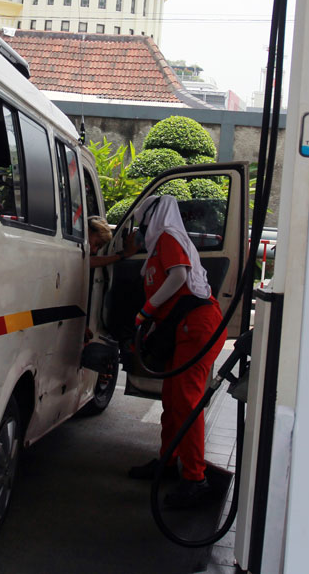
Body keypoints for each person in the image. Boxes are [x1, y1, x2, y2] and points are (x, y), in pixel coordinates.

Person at [127, 195, 227, 509]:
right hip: (184, 328)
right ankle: (168, 463)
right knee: (172, 399)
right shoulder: (162, 245)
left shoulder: (169, 237)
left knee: (186, 401)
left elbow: (179, 278)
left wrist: (145, 312)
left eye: (143, 222)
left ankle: (195, 480)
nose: (141, 228)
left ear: (153, 218)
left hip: (197, 327)